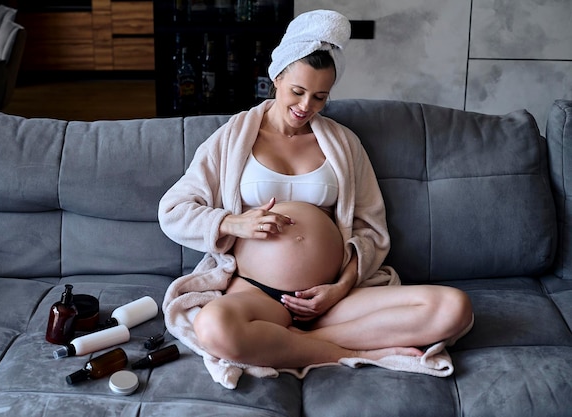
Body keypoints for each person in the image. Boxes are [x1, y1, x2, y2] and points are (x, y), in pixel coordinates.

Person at [159, 10, 473, 376]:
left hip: (334, 300)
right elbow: (173, 210)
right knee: (213, 327)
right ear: (276, 78)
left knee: (454, 307)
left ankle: (291, 341)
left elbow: (371, 228)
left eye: (320, 97)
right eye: (297, 91)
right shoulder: (232, 139)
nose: (305, 106)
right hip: (257, 294)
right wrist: (232, 223)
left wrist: (339, 288)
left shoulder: (343, 144)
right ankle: (340, 350)